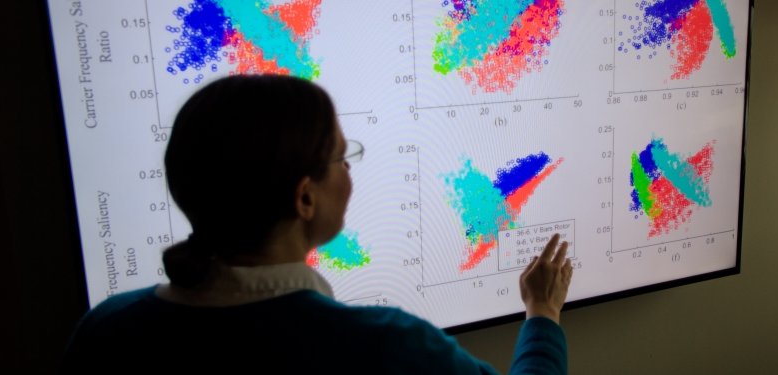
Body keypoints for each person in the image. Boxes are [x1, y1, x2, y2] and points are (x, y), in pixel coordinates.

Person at [61, 75, 573, 373]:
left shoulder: (105, 330)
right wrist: (543, 312)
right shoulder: (387, 348)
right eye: (341, 157)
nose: (349, 170)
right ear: (304, 197)